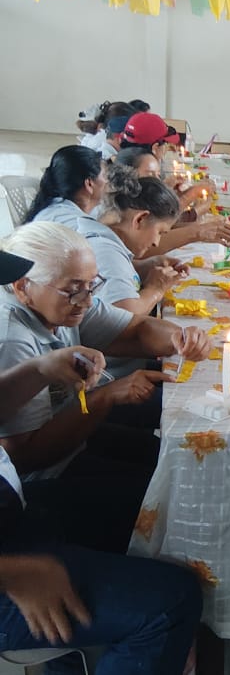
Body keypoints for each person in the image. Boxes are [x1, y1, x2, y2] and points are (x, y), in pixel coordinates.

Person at [0, 249, 202, 675]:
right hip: (9, 561)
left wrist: (40, 369)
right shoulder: (10, 334)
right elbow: (29, 451)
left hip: (16, 513)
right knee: (172, 599)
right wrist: (12, 571)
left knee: (167, 510)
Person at [0, 222, 211, 552]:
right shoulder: (13, 339)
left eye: (92, 285)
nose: (86, 300)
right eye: (74, 289)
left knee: (177, 462)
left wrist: (179, 338)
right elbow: (26, 456)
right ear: (23, 287)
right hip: (42, 480)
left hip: (71, 439)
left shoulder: (64, 305)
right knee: (171, 496)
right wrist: (105, 397)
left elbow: (136, 330)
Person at [79, 166, 186, 316]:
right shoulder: (106, 253)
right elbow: (124, 317)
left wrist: (145, 266)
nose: (156, 242)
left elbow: (114, 275)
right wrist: (156, 289)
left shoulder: (103, 240)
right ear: (140, 219)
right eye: (160, 232)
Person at [23, 146, 107, 227]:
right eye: (105, 176)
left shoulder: (53, 207)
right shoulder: (80, 226)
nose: (108, 181)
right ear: (89, 184)